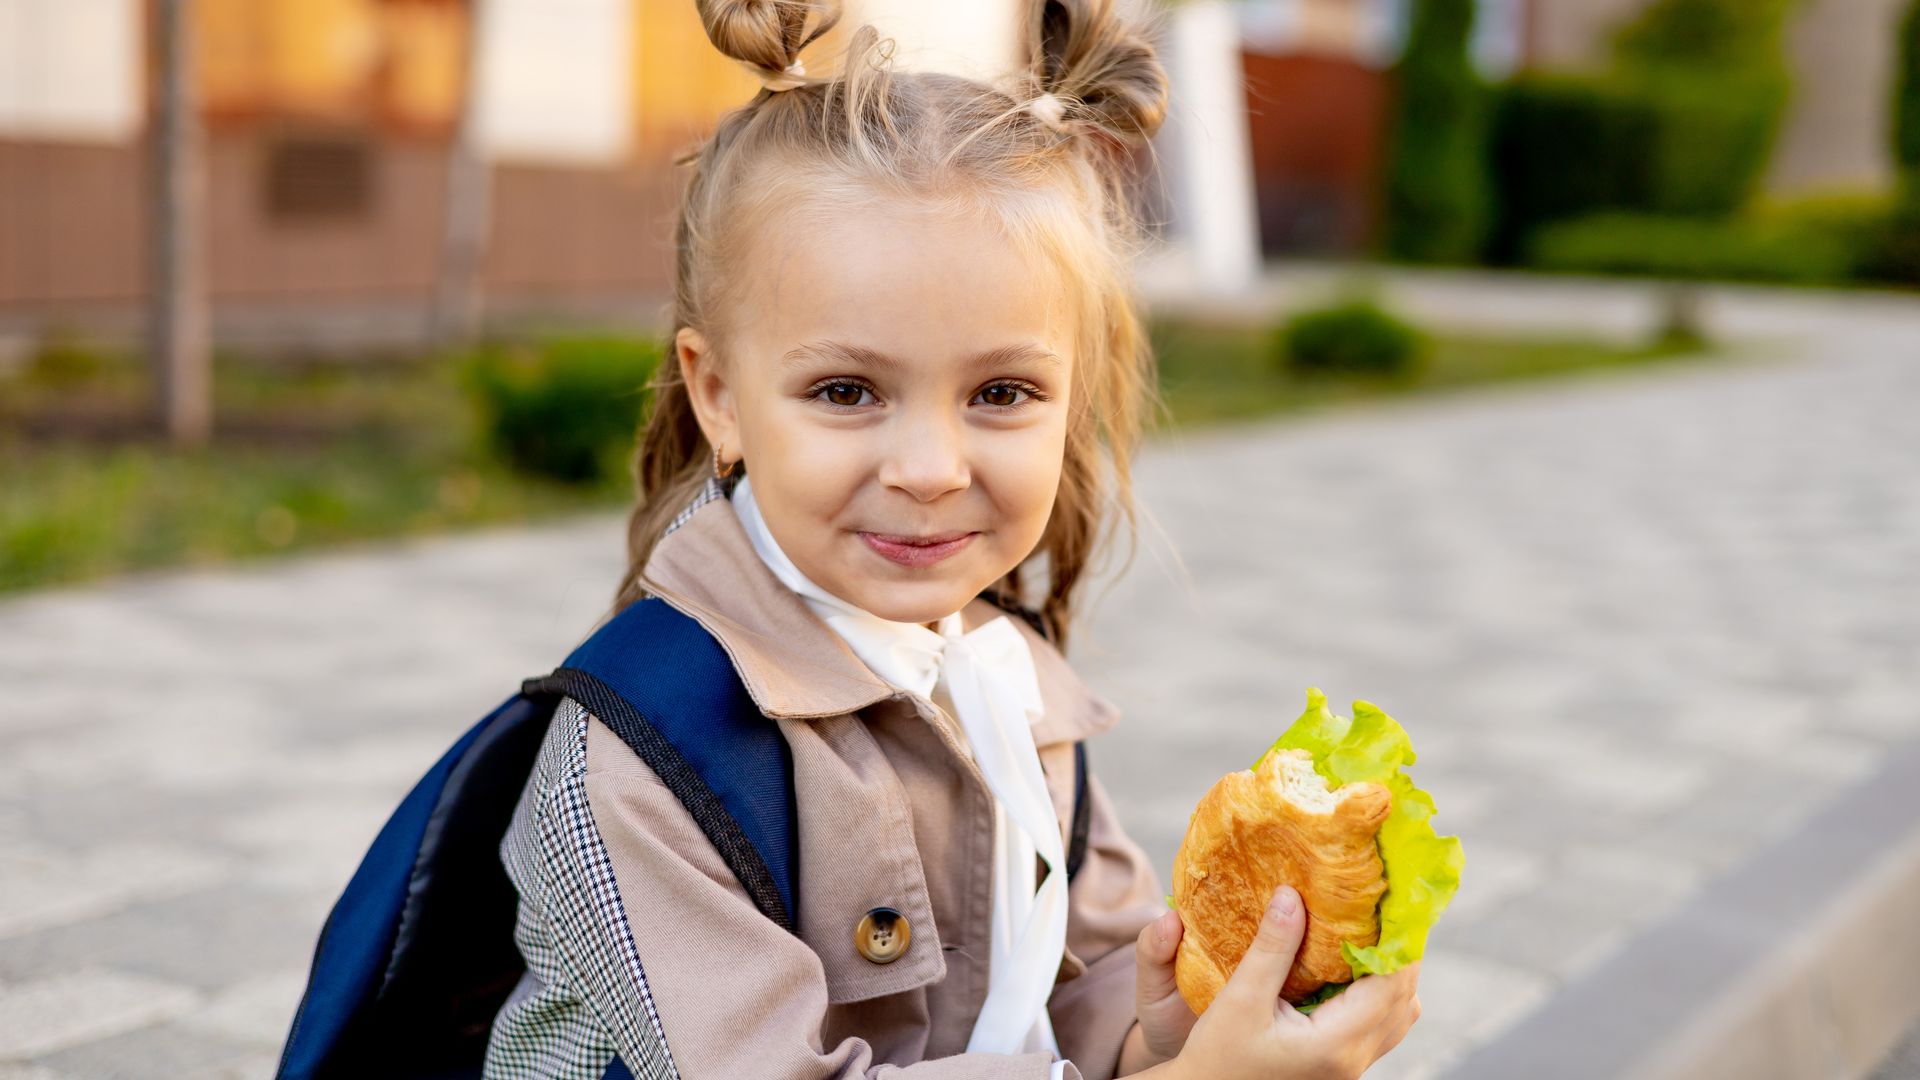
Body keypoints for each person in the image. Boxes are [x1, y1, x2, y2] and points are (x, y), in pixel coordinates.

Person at [482, 1, 1421, 1077]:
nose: (930, 468)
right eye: (847, 390)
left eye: (1002, 391)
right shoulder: (642, 761)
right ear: (720, 395)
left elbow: (1098, 971)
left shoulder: (1007, 682)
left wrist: (1178, 1030)